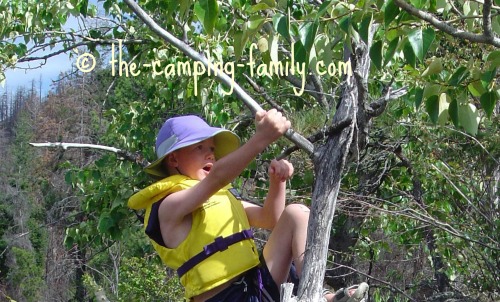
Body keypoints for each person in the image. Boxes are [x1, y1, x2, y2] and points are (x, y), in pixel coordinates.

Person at [128, 109, 368, 302]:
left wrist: (278, 182)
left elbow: (269, 219)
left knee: (296, 213)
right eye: (199, 148)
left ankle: (313, 293)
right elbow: (218, 178)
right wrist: (262, 138)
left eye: (212, 149)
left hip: (256, 286)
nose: (210, 155)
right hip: (224, 298)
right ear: (174, 159)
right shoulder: (169, 205)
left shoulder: (221, 197)